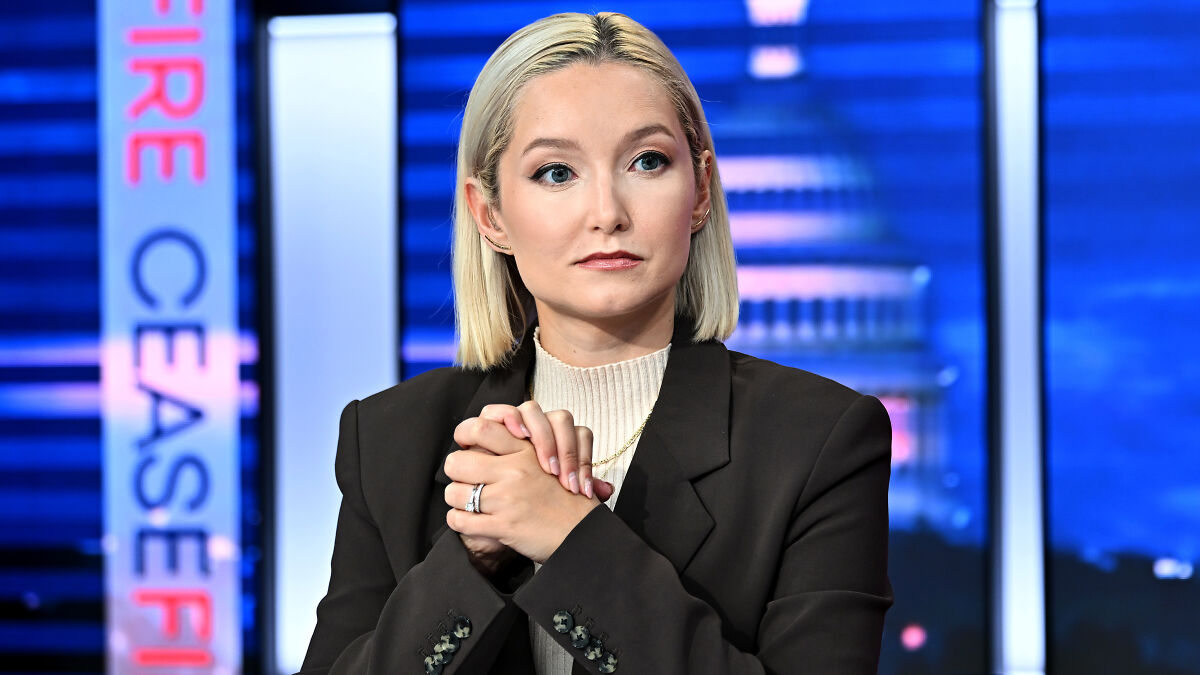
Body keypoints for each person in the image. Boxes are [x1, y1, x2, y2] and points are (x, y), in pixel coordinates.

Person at [297, 11, 892, 675]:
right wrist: (471, 558)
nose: (606, 211)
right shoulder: (388, 438)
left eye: (647, 161)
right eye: (557, 172)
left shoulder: (818, 439)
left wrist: (573, 539)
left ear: (699, 193)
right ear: (489, 213)